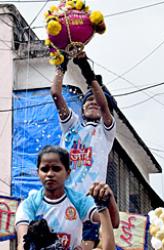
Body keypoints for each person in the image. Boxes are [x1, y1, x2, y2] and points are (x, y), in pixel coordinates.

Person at [50, 52, 119, 248]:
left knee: (88, 244)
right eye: (88, 101)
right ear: (81, 109)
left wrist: (86, 70)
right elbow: (56, 94)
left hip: (91, 203)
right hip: (64, 201)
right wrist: (61, 65)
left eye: (97, 102)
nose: (93, 103)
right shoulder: (71, 126)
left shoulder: (105, 133)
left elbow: (105, 106)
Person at [15, 145, 118, 250]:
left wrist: (106, 203)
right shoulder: (28, 205)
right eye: (45, 169)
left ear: (68, 173)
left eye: (56, 169)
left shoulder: (79, 201)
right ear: (38, 173)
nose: (50, 174)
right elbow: (22, 244)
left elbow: (114, 223)